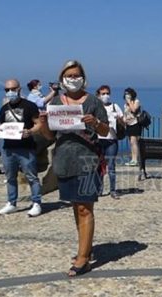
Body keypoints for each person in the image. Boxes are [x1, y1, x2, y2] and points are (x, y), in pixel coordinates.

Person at [39, 60, 109, 277]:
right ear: (62, 78)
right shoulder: (57, 102)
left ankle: (84, 258)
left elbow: (106, 131)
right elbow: (51, 136)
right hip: (64, 161)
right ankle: (83, 248)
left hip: (88, 161)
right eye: (69, 76)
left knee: (85, 208)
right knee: (75, 206)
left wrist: (96, 123)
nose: (73, 79)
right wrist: (43, 124)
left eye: (76, 75)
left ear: (83, 77)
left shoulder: (94, 101)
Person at [0, 79, 43, 217]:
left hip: (26, 148)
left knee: (32, 177)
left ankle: (36, 203)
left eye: (13, 89)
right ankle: (11, 202)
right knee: (10, 176)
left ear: (19, 89)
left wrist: (30, 132)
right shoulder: (4, 108)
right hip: (8, 148)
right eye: (7, 90)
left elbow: (39, 124)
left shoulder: (30, 106)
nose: (10, 92)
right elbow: (0, 123)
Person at [96, 85, 124, 199]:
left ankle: (113, 190)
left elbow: (123, 121)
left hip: (111, 139)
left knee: (111, 166)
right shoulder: (96, 107)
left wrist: (118, 119)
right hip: (99, 140)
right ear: (98, 95)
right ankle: (99, 189)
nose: (106, 96)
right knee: (99, 167)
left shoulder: (115, 106)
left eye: (107, 93)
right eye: (103, 93)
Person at [123, 87, 142, 168]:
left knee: (134, 141)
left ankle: (135, 160)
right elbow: (125, 114)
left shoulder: (136, 101)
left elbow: (134, 110)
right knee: (131, 142)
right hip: (128, 124)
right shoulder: (125, 104)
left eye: (128, 94)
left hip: (135, 124)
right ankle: (132, 159)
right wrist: (124, 120)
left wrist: (129, 102)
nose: (127, 95)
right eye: (126, 94)